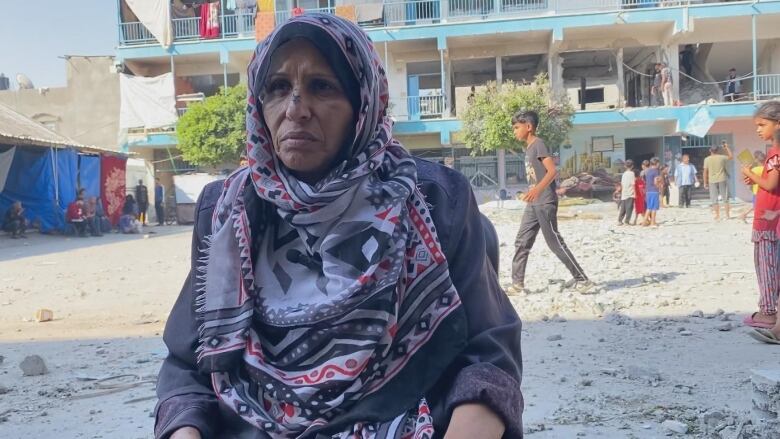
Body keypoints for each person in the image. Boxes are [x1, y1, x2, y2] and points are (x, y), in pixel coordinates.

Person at [155, 14, 523, 439]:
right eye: (277, 88)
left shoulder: (435, 199)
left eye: (322, 87)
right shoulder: (224, 212)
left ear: (362, 104)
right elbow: (187, 367)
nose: (296, 109)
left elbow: (488, 354)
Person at [508, 110, 591, 295]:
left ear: (528, 127)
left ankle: (582, 279)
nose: (514, 131)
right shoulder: (528, 148)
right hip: (533, 203)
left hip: (545, 201)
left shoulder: (539, 144)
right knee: (522, 241)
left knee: (554, 242)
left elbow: (552, 172)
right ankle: (517, 285)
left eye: (516, 127)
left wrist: (536, 190)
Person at [742, 102, 780, 343]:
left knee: (767, 267)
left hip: (770, 219)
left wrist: (750, 173)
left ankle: (768, 313)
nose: (758, 129)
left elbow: (771, 185)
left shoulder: (776, 154)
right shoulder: (772, 152)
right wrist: (755, 177)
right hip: (770, 216)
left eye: (762, 125)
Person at [703, 141, 733, 221]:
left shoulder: (707, 159)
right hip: (722, 179)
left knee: (714, 199)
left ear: (710, 150)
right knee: (725, 198)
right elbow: (731, 156)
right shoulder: (722, 157)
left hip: (712, 180)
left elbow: (705, 172)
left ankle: (717, 215)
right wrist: (726, 147)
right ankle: (727, 215)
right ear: (718, 150)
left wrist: (705, 182)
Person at [739, 151, 766, 223]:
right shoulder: (767, 170)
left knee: (756, 206)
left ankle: (744, 215)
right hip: (764, 191)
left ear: (756, 160)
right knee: (757, 207)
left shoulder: (754, 170)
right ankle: (744, 215)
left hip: (756, 191)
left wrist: (744, 170)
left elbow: (744, 179)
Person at [618, 159, 636, 226]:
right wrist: (635, 193)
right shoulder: (632, 173)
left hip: (624, 193)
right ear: (632, 166)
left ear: (625, 166)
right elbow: (633, 184)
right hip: (630, 193)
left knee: (623, 208)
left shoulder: (624, 174)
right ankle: (626, 221)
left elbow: (622, 184)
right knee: (629, 208)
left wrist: (622, 192)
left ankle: (619, 221)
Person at [644, 158, 661, 227]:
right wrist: (659, 186)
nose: (659, 164)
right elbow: (655, 181)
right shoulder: (656, 171)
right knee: (654, 208)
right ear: (656, 163)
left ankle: (644, 222)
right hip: (654, 190)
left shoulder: (648, 171)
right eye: (658, 163)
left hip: (648, 191)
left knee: (649, 207)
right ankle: (652, 222)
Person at [634, 161, 649, 225]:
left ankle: (645, 221)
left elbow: (638, 189)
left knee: (640, 210)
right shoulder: (641, 180)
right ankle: (645, 220)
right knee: (641, 209)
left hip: (638, 197)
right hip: (642, 197)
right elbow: (643, 189)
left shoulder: (636, 181)